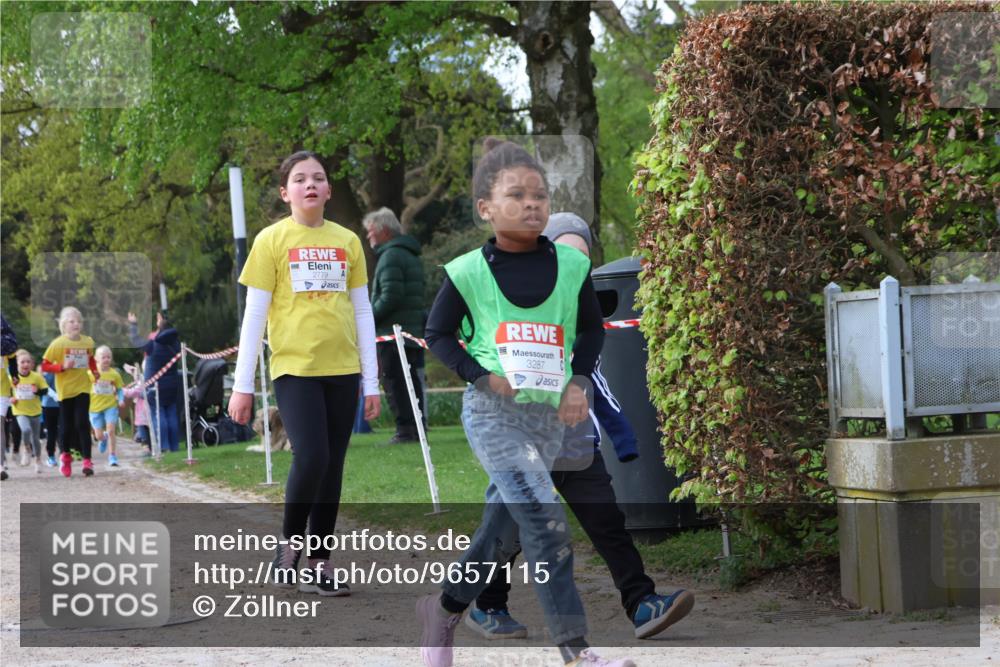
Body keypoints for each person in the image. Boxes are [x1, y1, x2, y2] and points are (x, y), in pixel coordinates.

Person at [419, 138, 634, 667]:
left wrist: (580, 380)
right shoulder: (466, 271)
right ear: (486, 208)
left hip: (549, 420)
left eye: (539, 194)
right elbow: (437, 334)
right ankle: (577, 652)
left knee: (502, 530)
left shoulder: (571, 267)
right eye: (516, 194)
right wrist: (482, 376)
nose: (532, 203)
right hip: (494, 418)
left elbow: (589, 328)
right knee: (545, 519)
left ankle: (443, 610)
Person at [467, 213, 694, 641]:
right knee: (506, 529)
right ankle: (487, 604)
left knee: (608, 524)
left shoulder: (583, 317)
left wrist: (622, 436)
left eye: (583, 258)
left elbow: (594, 381)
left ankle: (643, 603)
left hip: (576, 446)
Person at [227, 150, 380, 597]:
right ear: (285, 192)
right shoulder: (271, 240)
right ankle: (288, 549)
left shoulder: (348, 241)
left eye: (318, 178)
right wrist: (241, 388)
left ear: (329, 190)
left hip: (343, 368)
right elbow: (254, 316)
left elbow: (363, 311)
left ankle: (320, 561)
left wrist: (370, 381)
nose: (310, 184)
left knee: (332, 467)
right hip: (294, 368)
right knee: (311, 457)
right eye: (299, 179)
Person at [363, 206, 427, 444]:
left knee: (395, 382)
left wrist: (368, 319)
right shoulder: (408, 254)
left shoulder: (391, 256)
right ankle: (416, 428)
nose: (368, 237)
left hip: (392, 332)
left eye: (371, 232)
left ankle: (406, 430)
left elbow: (390, 295)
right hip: (410, 329)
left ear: (384, 231)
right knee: (410, 382)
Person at [41, 306, 99, 477]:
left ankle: (87, 461)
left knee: (82, 423)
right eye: (72, 321)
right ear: (64, 325)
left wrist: (94, 371)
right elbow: (45, 365)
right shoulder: (58, 344)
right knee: (66, 427)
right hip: (65, 391)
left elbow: (90, 359)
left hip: (83, 388)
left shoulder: (87, 341)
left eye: (78, 321)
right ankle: (65, 456)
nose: (76, 324)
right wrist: (61, 367)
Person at [127, 310, 181, 452]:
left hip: (154, 386)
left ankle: (163, 447)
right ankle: (174, 447)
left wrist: (133, 324)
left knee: (158, 414)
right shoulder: (176, 344)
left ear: (161, 320)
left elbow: (136, 341)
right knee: (171, 414)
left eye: (158, 318)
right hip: (172, 385)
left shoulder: (153, 344)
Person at [10, 349, 48, 473]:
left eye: (28, 362)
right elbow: (8, 391)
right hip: (20, 410)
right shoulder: (13, 378)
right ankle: (26, 449)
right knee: (25, 430)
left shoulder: (36, 377)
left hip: (35, 411)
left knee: (36, 438)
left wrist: (37, 391)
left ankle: (38, 460)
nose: (25, 364)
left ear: (31, 364)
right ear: (17, 364)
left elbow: (45, 391)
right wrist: (11, 398)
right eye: (22, 362)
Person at [89, 345, 125, 467]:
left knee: (111, 430)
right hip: (94, 407)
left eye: (108, 357)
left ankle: (112, 456)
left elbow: (120, 389)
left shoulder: (114, 374)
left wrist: (121, 399)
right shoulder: (90, 373)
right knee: (98, 435)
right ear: (96, 359)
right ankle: (102, 438)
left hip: (110, 406)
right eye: (103, 357)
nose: (106, 359)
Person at [1, 314, 17, 481]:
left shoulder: (3, 326)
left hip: (2, 387)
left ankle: (0, 464)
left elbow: (12, 352)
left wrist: (14, 375)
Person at [41, 369, 60, 467]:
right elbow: (45, 386)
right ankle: (51, 456)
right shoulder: (50, 371)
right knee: (51, 432)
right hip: (49, 406)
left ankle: (64, 454)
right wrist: (56, 395)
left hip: (64, 405)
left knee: (63, 430)